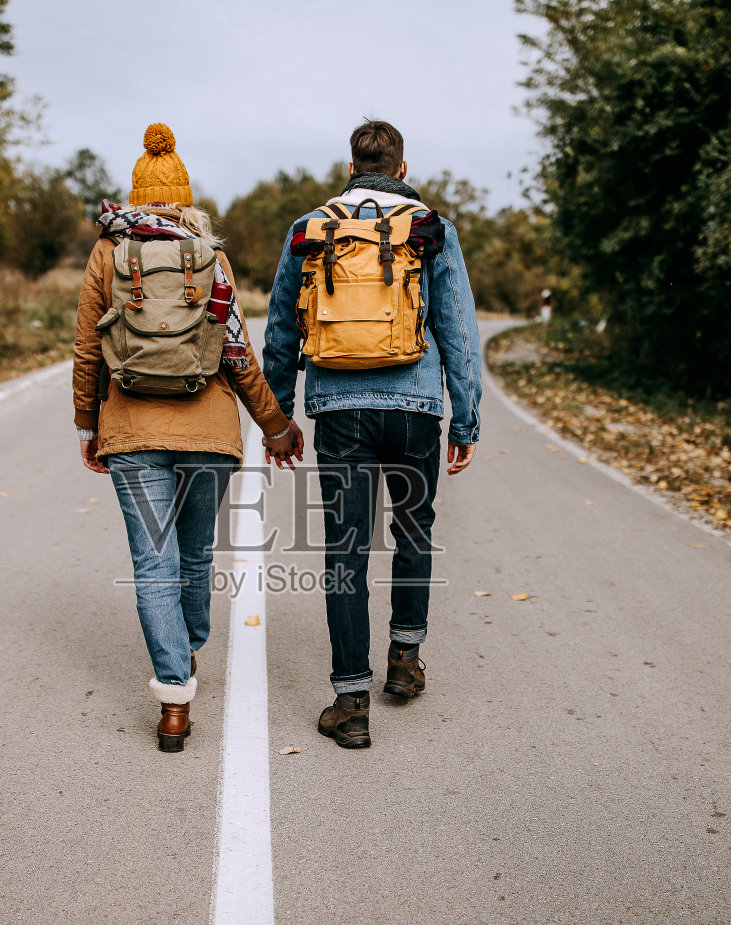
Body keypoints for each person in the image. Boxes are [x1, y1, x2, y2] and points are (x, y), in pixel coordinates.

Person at [73, 123, 301, 753]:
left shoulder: (108, 254)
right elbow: (238, 354)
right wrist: (274, 425)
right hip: (208, 432)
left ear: (135, 194)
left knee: (153, 562)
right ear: (186, 197)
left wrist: (89, 425)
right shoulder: (210, 258)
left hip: (130, 429)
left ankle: (174, 697)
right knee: (195, 554)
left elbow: (88, 348)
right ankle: (190, 647)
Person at [262, 118, 481, 749]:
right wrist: (463, 417)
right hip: (415, 407)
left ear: (351, 166)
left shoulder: (312, 229)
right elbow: (458, 329)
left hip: (338, 408)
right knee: (414, 531)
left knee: (345, 550)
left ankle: (351, 702)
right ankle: (405, 663)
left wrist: (280, 419)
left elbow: (282, 327)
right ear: (402, 169)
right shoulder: (429, 228)